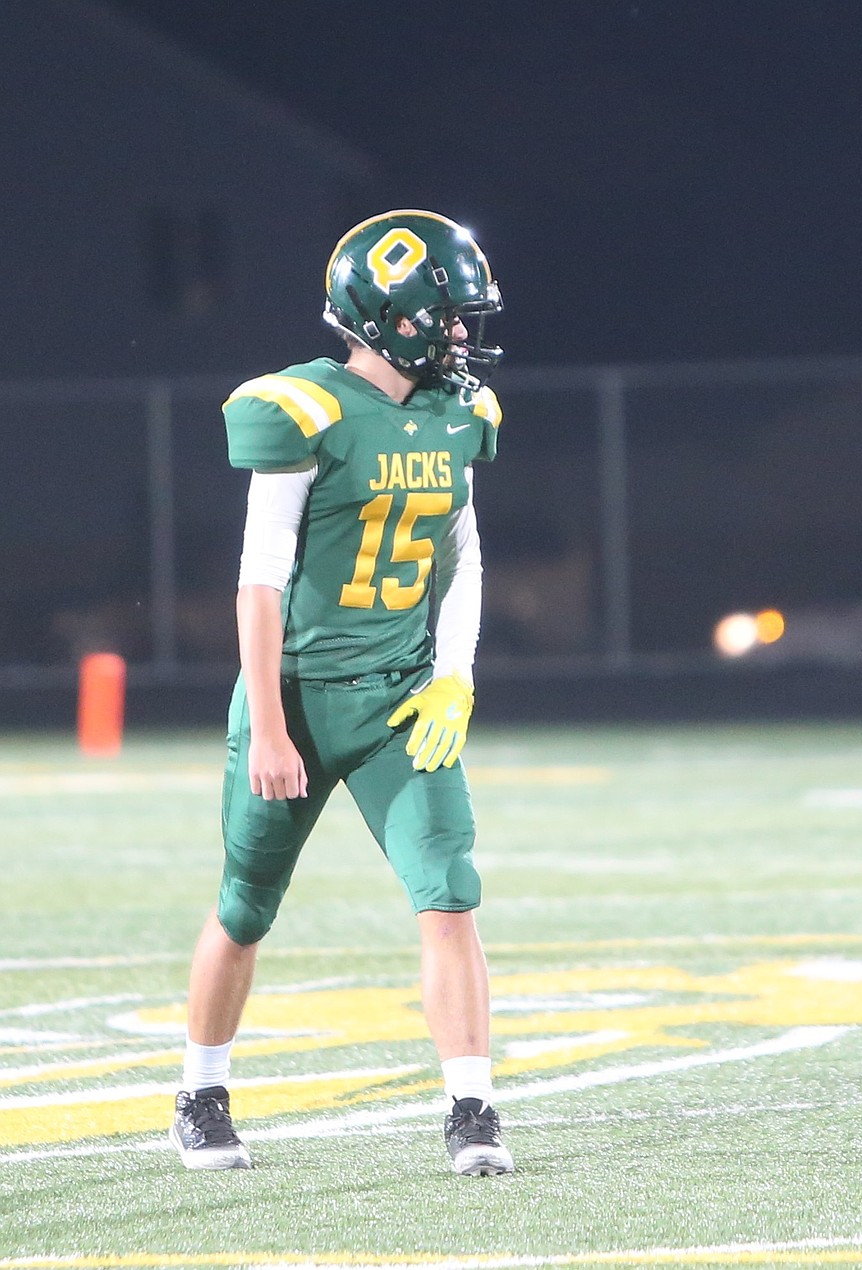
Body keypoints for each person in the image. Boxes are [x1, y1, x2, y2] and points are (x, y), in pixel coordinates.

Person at [168, 209, 514, 1177]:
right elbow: (260, 578)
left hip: (399, 702)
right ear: (393, 315)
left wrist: (454, 679)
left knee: (449, 896)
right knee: (246, 904)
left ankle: (472, 1107)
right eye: (445, 315)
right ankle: (199, 1091)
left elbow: (461, 554)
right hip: (299, 698)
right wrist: (271, 723)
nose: (460, 334)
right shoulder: (300, 408)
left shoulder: (459, 414)